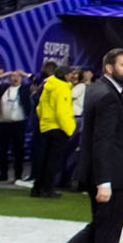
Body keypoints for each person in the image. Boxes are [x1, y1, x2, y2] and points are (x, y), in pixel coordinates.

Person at [28, 47, 123, 243]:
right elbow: (101, 141)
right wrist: (104, 182)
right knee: (107, 232)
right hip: (111, 177)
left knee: (100, 230)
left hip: (110, 176)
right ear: (109, 67)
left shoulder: (102, 90)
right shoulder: (107, 95)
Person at [32, 63, 74, 198]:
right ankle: (48, 189)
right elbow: (62, 111)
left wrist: (44, 121)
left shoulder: (48, 86)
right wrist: (69, 129)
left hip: (45, 126)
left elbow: (39, 107)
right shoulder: (62, 88)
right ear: (65, 75)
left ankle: (37, 188)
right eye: (70, 75)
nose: (72, 77)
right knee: (53, 161)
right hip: (58, 128)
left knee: (44, 159)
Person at [0, 68, 31, 182]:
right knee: (2, 150)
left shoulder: (24, 89)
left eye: (18, 76)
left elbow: (38, 81)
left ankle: (18, 174)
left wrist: (26, 74)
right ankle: (3, 173)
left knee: (18, 150)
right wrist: (2, 75)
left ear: (21, 78)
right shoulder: (2, 89)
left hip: (18, 124)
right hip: (3, 124)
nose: (15, 78)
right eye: (12, 76)